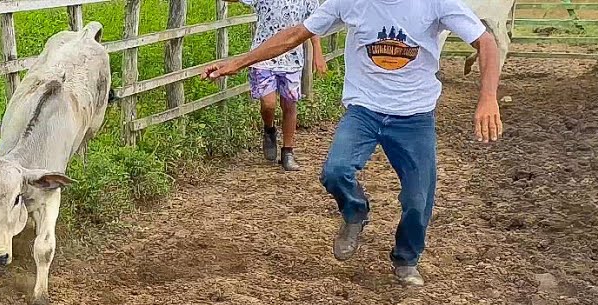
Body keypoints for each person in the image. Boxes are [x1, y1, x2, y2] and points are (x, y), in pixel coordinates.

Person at [203, 0, 504, 287]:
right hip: (364, 110)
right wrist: (238, 63)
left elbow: (486, 42)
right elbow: (296, 34)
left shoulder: (435, 3)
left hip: (414, 115)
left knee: (418, 197)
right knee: (335, 171)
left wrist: (488, 96)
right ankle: (355, 212)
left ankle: (406, 259)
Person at [226, 0, 328, 171]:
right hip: (263, 57)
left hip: (292, 59)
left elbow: (313, 23)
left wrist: (317, 51)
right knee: (268, 103)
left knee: (289, 104)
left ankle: (288, 152)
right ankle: (269, 129)